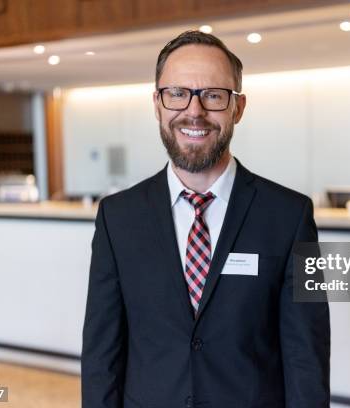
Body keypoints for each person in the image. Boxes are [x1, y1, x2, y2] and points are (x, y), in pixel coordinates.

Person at [81, 30, 330, 408]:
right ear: (157, 104)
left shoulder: (292, 216)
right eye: (177, 93)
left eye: (213, 95)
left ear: (238, 108)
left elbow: (306, 357)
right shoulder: (117, 219)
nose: (193, 111)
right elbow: (102, 354)